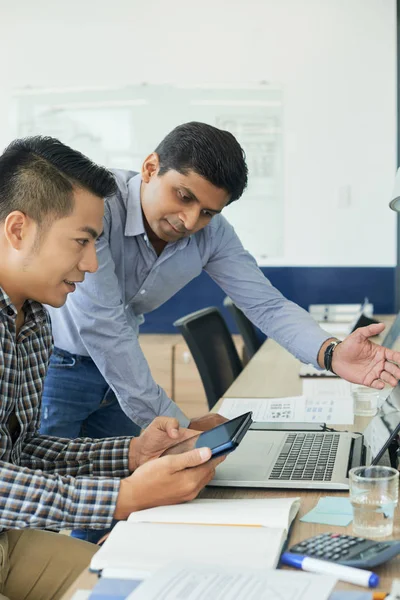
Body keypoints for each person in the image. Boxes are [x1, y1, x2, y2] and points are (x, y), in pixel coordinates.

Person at [0, 136, 222, 600]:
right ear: (18, 230)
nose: (92, 263)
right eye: (81, 242)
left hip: (8, 542)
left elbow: (18, 455)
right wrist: (123, 497)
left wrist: (130, 455)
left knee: (150, 584)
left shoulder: (35, 320)